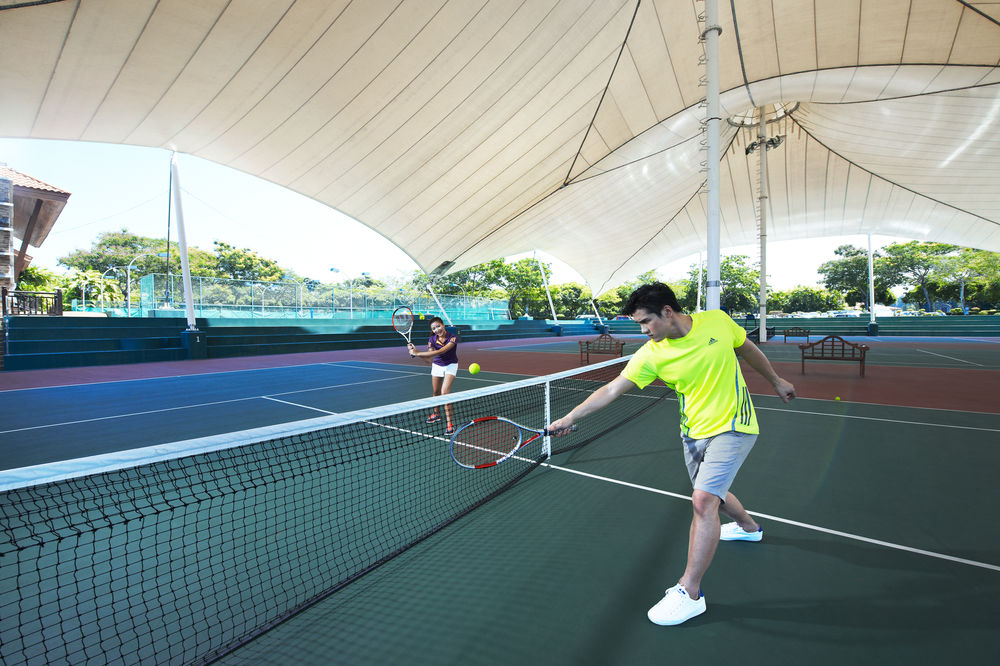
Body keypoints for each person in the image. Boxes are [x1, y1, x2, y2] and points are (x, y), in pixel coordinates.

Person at [548, 283, 796, 626]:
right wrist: (571, 417)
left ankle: (690, 593)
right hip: (692, 433)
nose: (643, 330)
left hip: (735, 426)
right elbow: (612, 388)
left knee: (703, 501)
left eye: (645, 321)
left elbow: (747, 348)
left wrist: (776, 380)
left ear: (667, 312)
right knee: (712, 494)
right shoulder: (651, 354)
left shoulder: (717, 321)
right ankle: (749, 527)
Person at [408, 317, 459, 435]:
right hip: (437, 365)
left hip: (451, 365)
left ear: (443, 325)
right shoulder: (432, 339)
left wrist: (418, 353)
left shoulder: (453, 338)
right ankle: (436, 414)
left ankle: (449, 424)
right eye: (434, 328)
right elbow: (429, 359)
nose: (437, 329)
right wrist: (415, 353)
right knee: (436, 392)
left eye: (438, 326)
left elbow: (441, 351)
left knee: (445, 392)